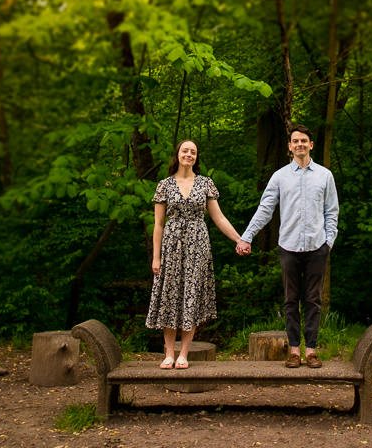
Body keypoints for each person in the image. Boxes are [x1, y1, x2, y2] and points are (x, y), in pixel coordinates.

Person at [236, 124, 339, 368]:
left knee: (313, 300)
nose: (300, 144)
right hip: (289, 247)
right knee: (291, 299)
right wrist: (246, 236)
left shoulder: (325, 176)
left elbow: (331, 211)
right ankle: (294, 351)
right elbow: (265, 209)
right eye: (296, 141)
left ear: (311, 145)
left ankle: (311, 351)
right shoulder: (280, 176)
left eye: (304, 140)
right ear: (290, 147)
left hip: (317, 246)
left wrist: (328, 242)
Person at [145, 139, 242, 369]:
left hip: (198, 247)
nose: (189, 154)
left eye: (193, 152)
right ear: (177, 154)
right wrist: (156, 256)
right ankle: (169, 353)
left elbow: (219, 218)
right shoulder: (164, 185)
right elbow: (158, 224)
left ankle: (184, 354)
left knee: (191, 296)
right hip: (171, 246)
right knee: (169, 296)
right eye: (185, 150)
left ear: (196, 157)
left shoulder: (206, 183)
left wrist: (239, 239)